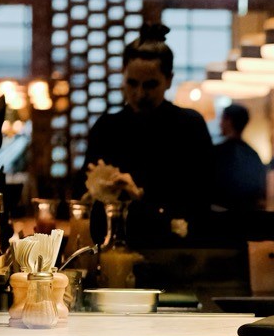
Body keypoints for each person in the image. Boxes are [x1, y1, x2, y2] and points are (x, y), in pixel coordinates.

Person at [82, 22, 213, 246]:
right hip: (113, 246)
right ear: (123, 77)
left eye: (150, 85)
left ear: (169, 80)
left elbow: (203, 198)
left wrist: (142, 196)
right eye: (132, 83)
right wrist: (99, 188)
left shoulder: (189, 126)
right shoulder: (107, 127)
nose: (140, 93)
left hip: (174, 250)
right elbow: (83, 196)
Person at [210, 103, 267, 210]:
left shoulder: (217, 152)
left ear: (229, 121)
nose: (220, 124)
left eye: (222, 119)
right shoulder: (252, 154)